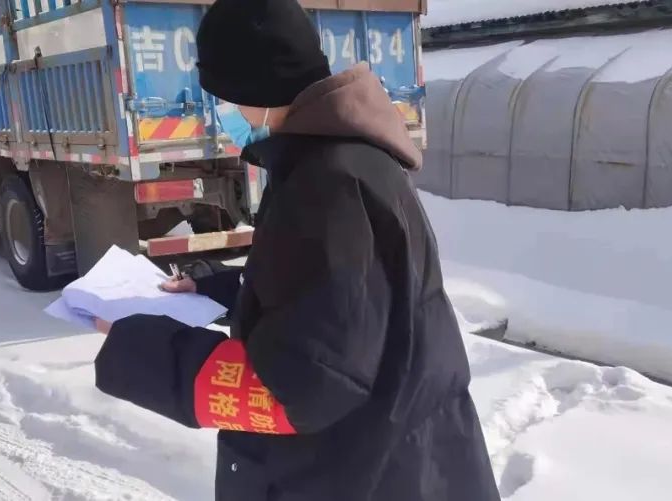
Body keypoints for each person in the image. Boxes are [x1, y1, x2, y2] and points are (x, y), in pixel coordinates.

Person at [92, 0, 500, 499]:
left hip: (366, 474)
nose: (226, 113)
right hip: (405, 458)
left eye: (226, 98)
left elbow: (307, 384)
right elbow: (338, 297)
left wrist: (139, 346)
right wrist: (215, 288)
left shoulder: (325, 186)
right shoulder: (350, 161)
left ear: (255, 87)